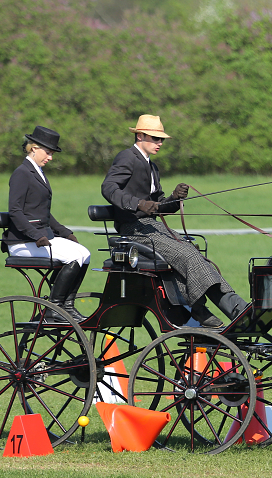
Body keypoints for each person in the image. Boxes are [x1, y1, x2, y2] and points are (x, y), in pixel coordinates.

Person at [100, 114, 248, 329]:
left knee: (193, 252)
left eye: (162, 140)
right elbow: (108, 188)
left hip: (152, 227)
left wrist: (174, 198)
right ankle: (226, 309)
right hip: (133, 229)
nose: (159, 143)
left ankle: (223, 308)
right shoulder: (127, 157)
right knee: (186, 253)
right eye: (155, 138)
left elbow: (159, 205)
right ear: (140, 136)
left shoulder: (152, 166)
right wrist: (138, 204)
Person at [1, 126, 91, 323]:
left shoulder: (37, 172)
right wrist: (36, 235)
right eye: (48, 152)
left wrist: (65, 233)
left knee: (84, 253)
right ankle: (54, 308)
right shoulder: (22, 173)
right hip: (22, 242)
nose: (50, 157)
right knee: (74, 257)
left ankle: (67, 306)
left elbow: (43, 213)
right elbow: (15, 211)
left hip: (40, 238)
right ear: (33, 148)